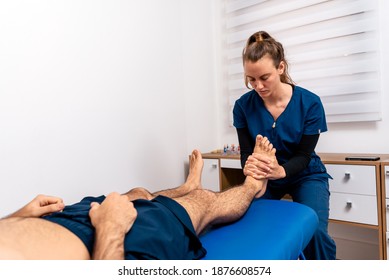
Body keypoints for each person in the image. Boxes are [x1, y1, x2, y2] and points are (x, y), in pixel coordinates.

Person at [0, 135, 273, 260]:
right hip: (110, 248)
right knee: (203, 200)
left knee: (138, 193)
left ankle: (186, 185)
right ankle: (253, 186)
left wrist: (18, 217)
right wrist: (110, 228)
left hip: (63, 218)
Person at [232, 31, 336, 260]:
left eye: (264, 77)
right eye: (251, 79)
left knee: (315, 231)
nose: (257, 86)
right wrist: (248, 167)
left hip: (305, 174)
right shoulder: (242, 106)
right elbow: (247, 153)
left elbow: (304, 155)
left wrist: (282, 170)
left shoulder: (310, 103)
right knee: (250, 226)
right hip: (266, 176)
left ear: (280, 68)